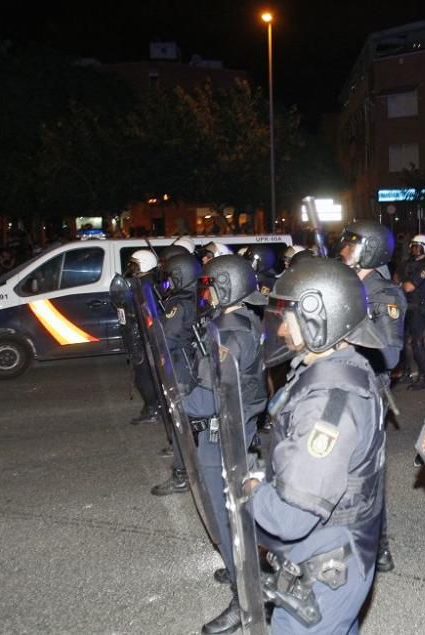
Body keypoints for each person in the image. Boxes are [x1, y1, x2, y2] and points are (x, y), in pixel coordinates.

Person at [240, 257, 386, 634]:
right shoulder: (339, 365)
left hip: (326, 567)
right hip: (334, 553)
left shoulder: (330, 400)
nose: (281, 326)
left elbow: (292, 516)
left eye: (287, 315)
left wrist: (253, 492)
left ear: (319, 319)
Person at [183, 254, 269, 635]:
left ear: (227, 286)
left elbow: (202, 399)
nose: (207, 293)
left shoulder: (230, 336)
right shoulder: (243, 321)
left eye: (212, 285)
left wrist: (177, 398)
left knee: (228, 517)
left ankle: (245, 598)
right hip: (237, 428)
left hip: (224, 437)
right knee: (235, 516)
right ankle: (243, 572)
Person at [338, 219, 407, 573]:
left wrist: (352, 332)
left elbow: (391, 354)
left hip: (368, 391)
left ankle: (378, 545)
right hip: (340, 384)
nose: (344, 250)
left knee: (367, 473)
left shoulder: (385, 295)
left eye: (353, 245)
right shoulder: (345, 285)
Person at [149, 252, 202, 497]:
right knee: (188, 420)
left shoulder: (180, 304)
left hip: (181, 365)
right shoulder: (196, 297)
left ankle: (182, 475)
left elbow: (166, 336)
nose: (168, 282)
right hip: (191, 364)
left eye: (172, 277)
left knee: (182, 422)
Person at [125, 249, 164, 426]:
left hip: (145, 338)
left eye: (135, 264)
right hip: (141, 335)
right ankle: (153, 407)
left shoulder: (146, 285)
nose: (131, 267)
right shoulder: (141, 283)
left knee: (144, 376)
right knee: (144, 374)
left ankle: (153, 408)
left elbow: (149, 314)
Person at [398, 233, 425, 389]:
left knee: (417, 343)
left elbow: (408, 286)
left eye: (418, 247)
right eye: (413, 247)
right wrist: (401, 282)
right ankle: (406, 373)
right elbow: (395, 278)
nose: (414, 250)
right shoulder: (407, 263)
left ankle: (422, 377)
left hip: (419, 309)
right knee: (403, 343)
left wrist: (401, 282)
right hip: (405, 306)